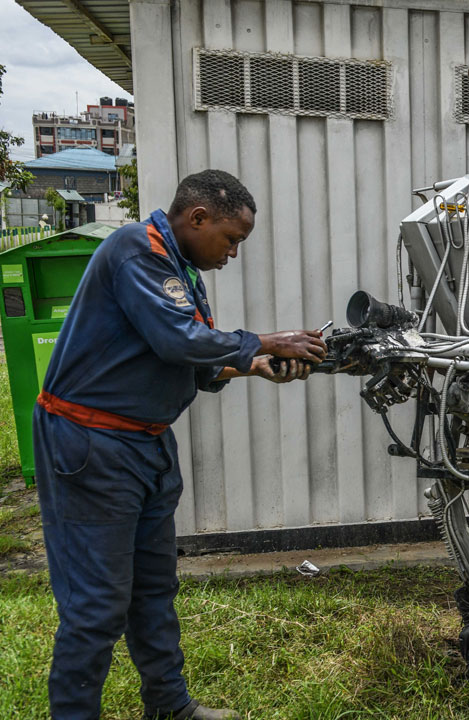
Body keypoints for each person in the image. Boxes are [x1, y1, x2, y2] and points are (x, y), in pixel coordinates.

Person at [33, 169, 327, 719]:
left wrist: (254, 365)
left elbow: (189, 360)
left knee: (152, 591)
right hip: (94, 446)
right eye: (232, 239)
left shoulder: (180, 269)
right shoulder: (136, 251)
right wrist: (264, 339)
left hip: (144, 446)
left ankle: (170, 708)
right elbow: (176, 339)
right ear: (197, 218)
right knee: (97, 605)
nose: (233, 253)